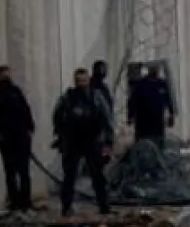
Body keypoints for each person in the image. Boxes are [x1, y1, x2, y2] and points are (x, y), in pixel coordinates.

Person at [52, 67, 113, 217]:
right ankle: (66, 207)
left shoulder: (96, 96)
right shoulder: (68, 97)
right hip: (73, 142)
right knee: (70, 176)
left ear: (88, 80)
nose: (82, 84)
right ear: (75, 81)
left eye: (84, 80)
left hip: (93, 140)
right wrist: (61, 135)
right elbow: (57, 116)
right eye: (79, 81)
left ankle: (104, 206)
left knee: (97, 175)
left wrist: (108, 141)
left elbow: (106, 118)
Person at [0, 65, 36, 212]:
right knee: (10, 172)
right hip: (6, 138)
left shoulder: (15, 91)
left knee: (24, 172)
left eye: (8, 74)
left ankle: (25, 202)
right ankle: (15, 202)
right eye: (4, 75)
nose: (7, 77)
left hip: (21, 136)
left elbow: (26, 110)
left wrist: (29, 129)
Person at [127, 62, 177, 149]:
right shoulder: (140, 84)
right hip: (143, 122)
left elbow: (168, 100)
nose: (155, 70)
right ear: (149, 70)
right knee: (143, 145)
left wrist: (171, 114)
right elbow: (133, 101)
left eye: (156, 68)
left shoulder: (162, 84)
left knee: (158, 144)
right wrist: (130, 116)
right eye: (152, 68)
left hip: (158, 121)